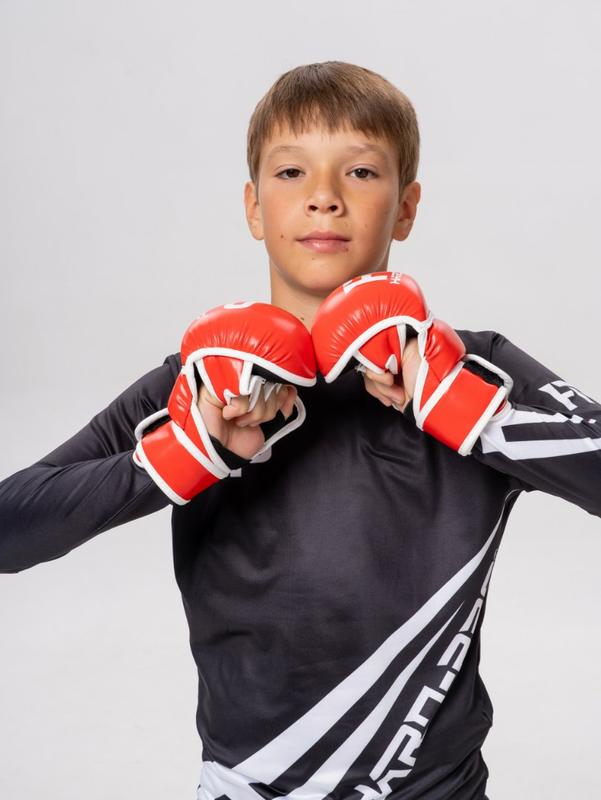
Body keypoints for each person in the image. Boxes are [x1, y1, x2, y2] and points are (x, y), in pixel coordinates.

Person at [1, 60, 600, 800]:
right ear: (254, 208)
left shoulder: (475, 372)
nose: (324, 196)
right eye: (291, 172)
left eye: (360, 171)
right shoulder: (196, 388)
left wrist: (481, 420)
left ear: (406, 209)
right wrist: (180, 456)